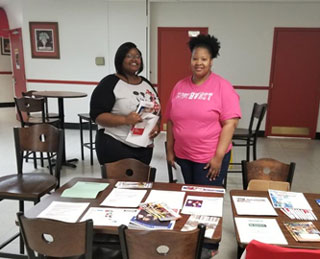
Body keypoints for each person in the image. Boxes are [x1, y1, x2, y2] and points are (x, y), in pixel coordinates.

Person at [166, 34, 241, 187]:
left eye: (204, 59)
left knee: (205, 202)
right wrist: (169, 150)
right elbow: (170, 121)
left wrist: (218, 157)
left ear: (211, 61)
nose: (198, 63)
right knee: (185, 197)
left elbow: (230, 124)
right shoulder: (179, 86)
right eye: (195, 58)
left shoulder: (223, 86)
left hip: (209, 159)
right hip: (182, 156)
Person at [90, 42, 161, 165]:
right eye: (129, 56)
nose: (134, 59)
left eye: (137, 56)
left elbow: (157, 109)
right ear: (120, 59)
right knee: (117, 184)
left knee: (140, 184)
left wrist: (157, 126)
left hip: (144, 147)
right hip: (116, 145)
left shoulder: (146, 83)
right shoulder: (109, 83)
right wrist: (125, 119)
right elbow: (97, 116)